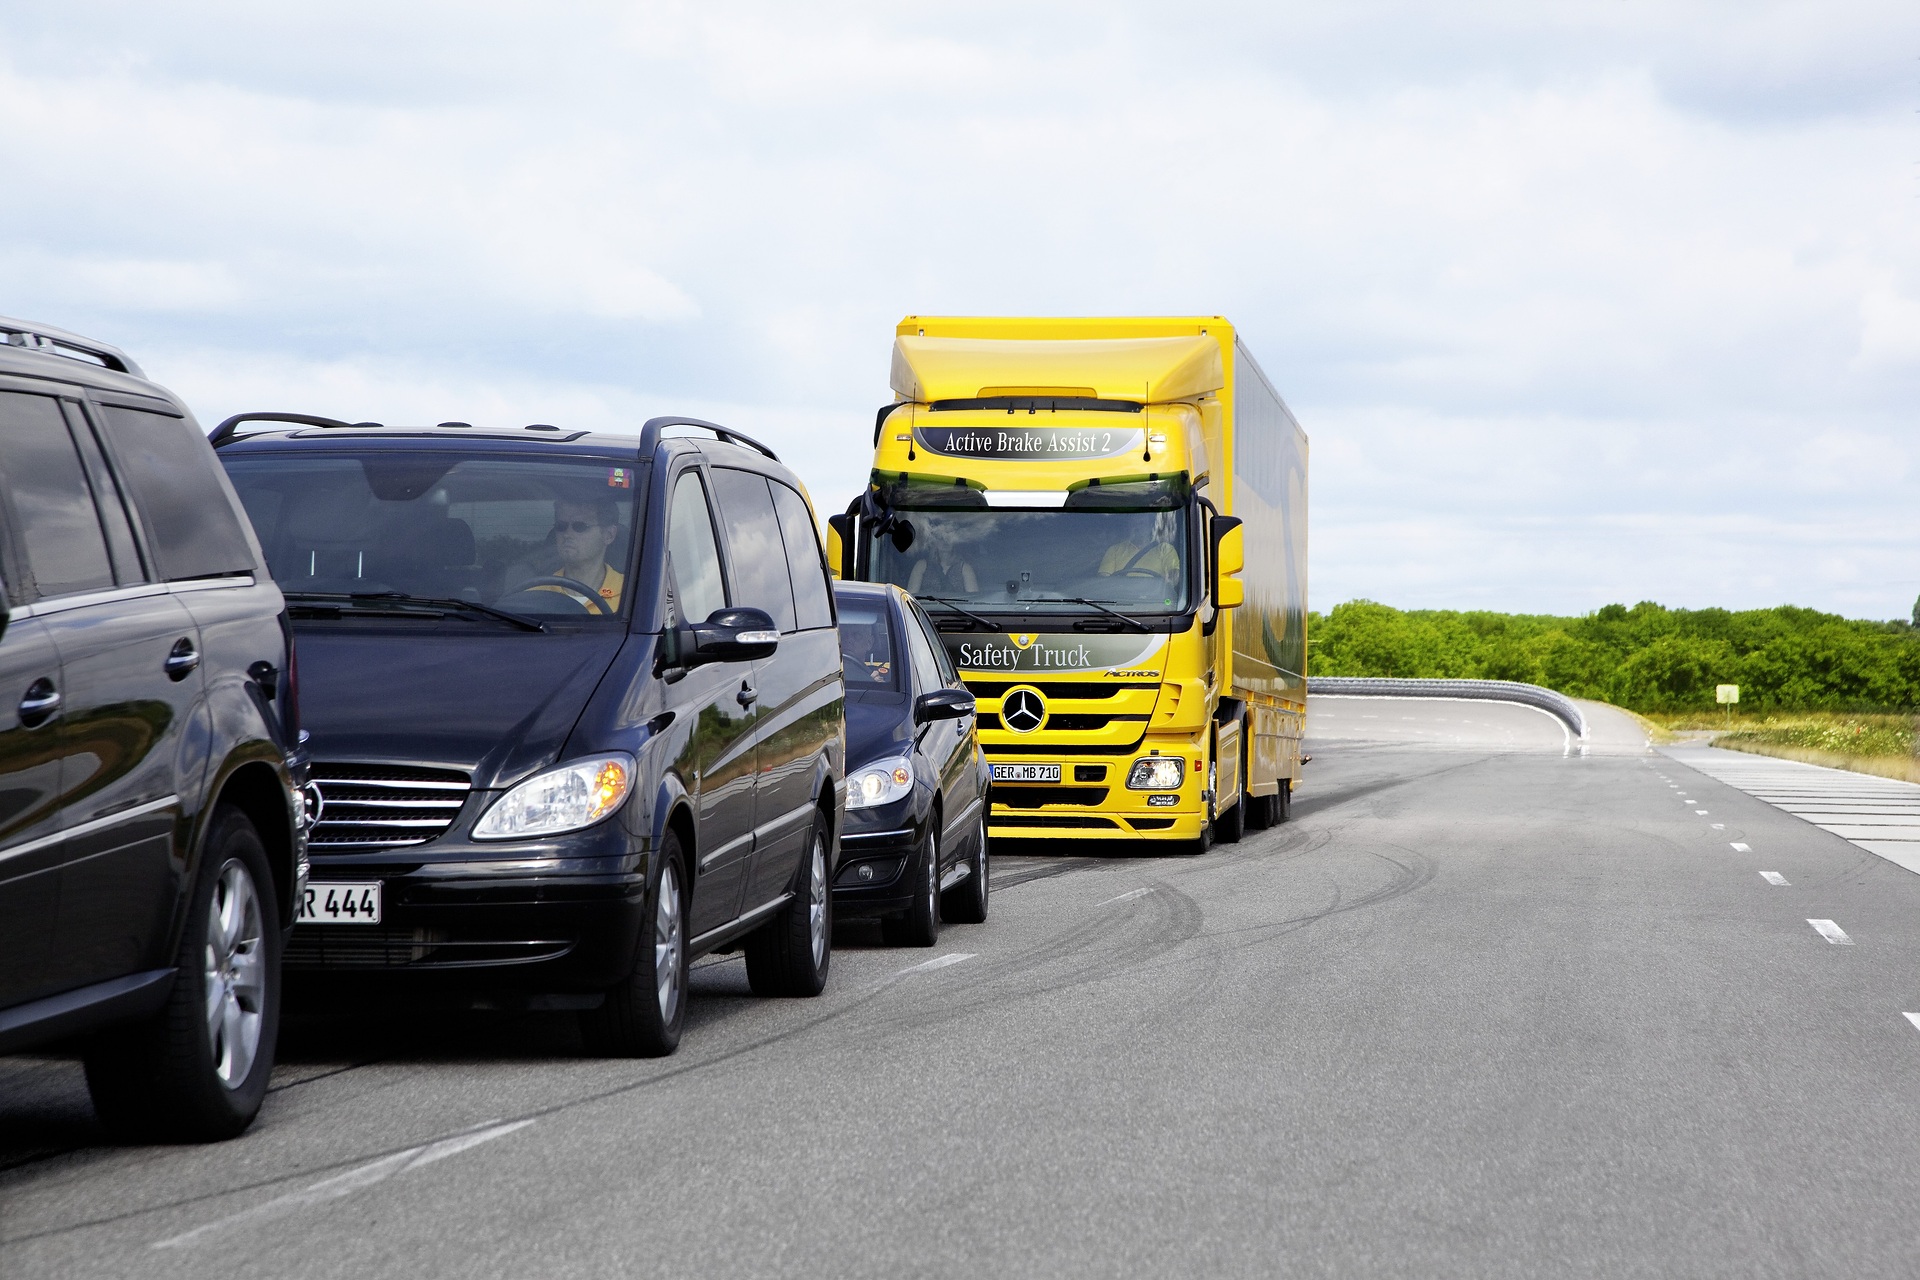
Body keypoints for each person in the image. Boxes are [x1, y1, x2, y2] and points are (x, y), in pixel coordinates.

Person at [539, 493, 625, 612]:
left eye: (580, 526)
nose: (567, 534)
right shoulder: (536, 593)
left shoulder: (631, 595)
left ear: (608, 535)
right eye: (561, 526)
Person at [1097, 511, 1181, 582]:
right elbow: (1104, 579)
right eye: (1134, 524)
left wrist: (1168, 581)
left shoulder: (1165, 549)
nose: (1137, 527)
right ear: (1129, 527)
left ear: (1150, 526)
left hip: (1155, 600)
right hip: (1121, 599)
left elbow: (1174, 575)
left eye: (1141, 523)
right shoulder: (1114, 550)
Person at [905, 521, 979, 596]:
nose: (945, 541)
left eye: (949, 538)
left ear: (955, 542)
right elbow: (911, 597)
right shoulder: (921, 566)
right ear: (934, 542)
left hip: (957, 607)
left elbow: (973, 598)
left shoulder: (965, 568)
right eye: (941, 538)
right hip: (926, 607)